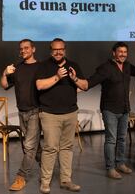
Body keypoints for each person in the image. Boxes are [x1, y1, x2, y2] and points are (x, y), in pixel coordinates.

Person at [36, 38, 87, 194]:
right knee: (50, 148)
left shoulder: (74, 65)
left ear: (65, 50)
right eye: (55, 49)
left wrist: (75, 79)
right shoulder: (43, 66)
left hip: (70, 112)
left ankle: (66, 180)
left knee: (67, 147)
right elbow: (39, 85)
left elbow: (85, 86)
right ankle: (45, 183)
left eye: (61, 49)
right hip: (50, 114)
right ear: (51, 50)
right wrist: (57, 76)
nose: (58, 52)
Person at [86, 42, 135, 179]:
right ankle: (110, 168)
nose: (123, 54)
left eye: (125, 52)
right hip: (110, 109)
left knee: (122, 138)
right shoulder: (105, 68)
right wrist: (80, 85)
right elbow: (91, 81)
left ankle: (120, 163)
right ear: (113, 53)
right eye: (120, 51)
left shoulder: (127, 66)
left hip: (125, 108)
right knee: (111, 140)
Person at [0, 39, 41, 191]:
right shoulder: (16, 68)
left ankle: (20, 177)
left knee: (29, 146)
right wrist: (4, 73)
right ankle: (46, 167)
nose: (23, 51)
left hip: (36, 111)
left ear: (33, 49)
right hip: (22, 111)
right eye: (21, 49)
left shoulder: (41, 67)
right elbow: (4, 85)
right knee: (34, 147)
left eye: (26, 48)